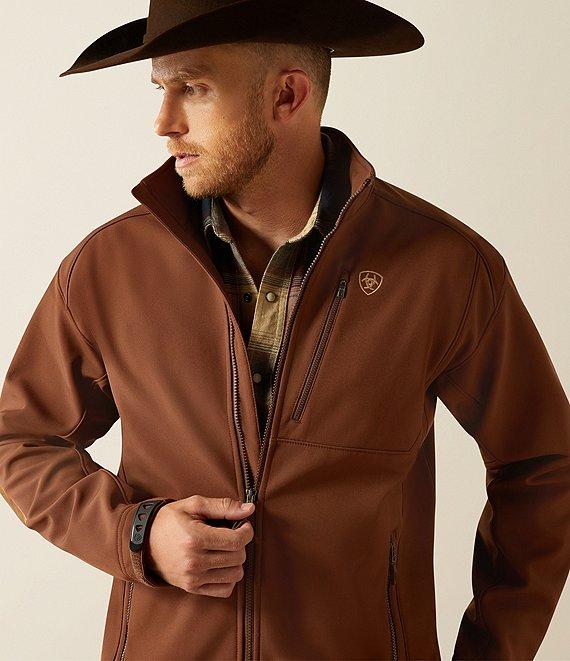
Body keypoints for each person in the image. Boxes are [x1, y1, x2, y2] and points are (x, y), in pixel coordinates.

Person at [1, 2, 568, 660]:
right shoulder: (109, 268)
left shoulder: (443, 267)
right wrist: (137, 535)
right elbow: (21, 439)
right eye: (161, 89)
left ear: (286, 96)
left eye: (194, 88)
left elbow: (541, 466)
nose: (164, 122)